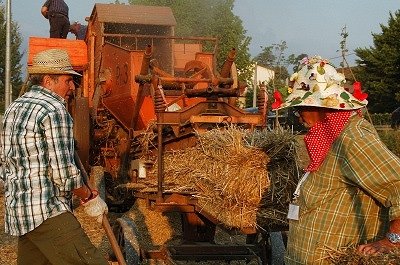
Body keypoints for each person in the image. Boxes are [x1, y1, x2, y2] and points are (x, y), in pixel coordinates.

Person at [272, 56, 400, 264]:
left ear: (321, 105)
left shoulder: (352, 137)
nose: (297, 115)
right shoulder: (330, 135)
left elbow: (398, 183)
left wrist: (394, 240)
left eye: (299, 107)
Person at [0, 49, 109, 265]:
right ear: (49, 80)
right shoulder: (54, 109)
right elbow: (63, 174)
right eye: (68, 80)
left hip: (20, 213)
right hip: (47, 211)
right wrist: (87, 196)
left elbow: (5, 163)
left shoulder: (14, 107)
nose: (71, 87)